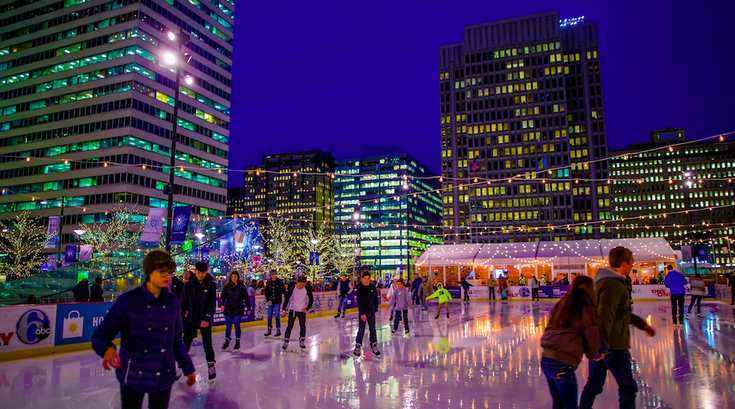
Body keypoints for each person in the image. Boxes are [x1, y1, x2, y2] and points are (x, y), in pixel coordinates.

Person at [92, 250, 196, 409]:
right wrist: (107, 349)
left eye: (170, 272)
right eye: (162, 271)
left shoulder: (172, 301)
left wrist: (188, 367)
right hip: (133, 374)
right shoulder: (129, 301)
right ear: (149, 272)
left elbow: (176, 340)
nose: (167, 276)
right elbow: (101, 334)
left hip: (164, 374)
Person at [579, 247, 656, 409]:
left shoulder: (606, 281)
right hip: (612, 345)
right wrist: (603, 345)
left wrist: (642, 325)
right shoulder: (613, 283)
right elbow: (605, 313)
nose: (632, 266)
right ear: (624, 263)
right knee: (628, 387)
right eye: (631, 263)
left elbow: (620, 312)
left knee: (594, 385)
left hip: (602, 343)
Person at [541, 276, 600, 409]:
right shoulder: (585, 307)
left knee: (558, 404)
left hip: (546, 360)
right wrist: (594, 354)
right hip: (562, 363)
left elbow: (550, 328)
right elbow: (591, 332)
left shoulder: (562, 303)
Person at [181, 261, 217, 380]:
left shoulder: (210, 285)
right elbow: (183, 303)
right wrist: (181, 320)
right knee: (185, 344)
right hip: (190, 319)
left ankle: (211, 365)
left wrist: (207, 318)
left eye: (202, 273)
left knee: (207, 344)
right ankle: (180, 367)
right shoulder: (188, 285)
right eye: (198, 272)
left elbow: (212, 304)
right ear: (195, 271)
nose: (200, 275)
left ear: (206, 272)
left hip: (204, 320)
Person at [281, 276, 314, 350]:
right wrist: (284, 310)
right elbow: (286, 299)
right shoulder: (292, 289)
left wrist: (307, 308)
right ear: (297, 282)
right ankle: (286, 341)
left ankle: (302, 341)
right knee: (289, 326)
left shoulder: (307, 288)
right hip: (293, 310)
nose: (302, 286)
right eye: (301, 284)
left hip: (302, 311)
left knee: (302, 326)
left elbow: (311, 299)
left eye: (304, 284)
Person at [221, 271, 251, 351]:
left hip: (238, 308)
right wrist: (222, 304)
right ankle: (227, 340)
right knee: (228, 325)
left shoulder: (241, 286)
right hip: (229, 308)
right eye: (232, 277)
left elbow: (246, 297)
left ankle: (237, 341)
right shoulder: (227, 286)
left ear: (238, 277)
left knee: (237, 324)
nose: (233, 278)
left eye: (235, 276)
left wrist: (248, 307)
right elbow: (223, 295)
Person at [354, 272, 381, 357]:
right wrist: (362, 313)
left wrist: (375, 308)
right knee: (361, 330)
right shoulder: (360, 289)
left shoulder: (372, 288)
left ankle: (374, 345)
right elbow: (360, 302)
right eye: (365, 279)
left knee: (372, 329)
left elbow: (375, 299)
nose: (367, 280)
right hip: (363, 312)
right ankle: (358, 346)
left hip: (371, 312)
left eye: (368, 278)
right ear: (362, 279)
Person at [264, 270, 287, 337]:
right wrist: (268, 299)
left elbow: (283, 290)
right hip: (270, 302)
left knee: (277, 316)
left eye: (274, 274)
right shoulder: (268, 283)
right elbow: (266, 293)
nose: (273, 275)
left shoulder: (279, 282)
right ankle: (269, 329)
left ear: (276, 275)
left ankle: (278, 329)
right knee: (269, 316)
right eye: (272, 274)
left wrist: (286, 297)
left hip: (277, 301)